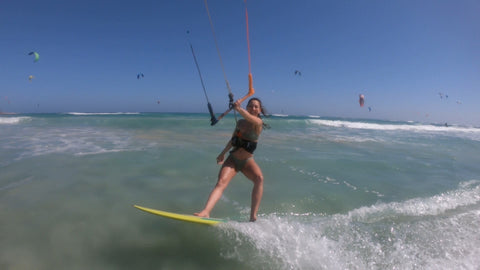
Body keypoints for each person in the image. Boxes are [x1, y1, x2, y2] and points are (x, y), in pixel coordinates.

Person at [195, 97, 267, 222]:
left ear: (259, 110)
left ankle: (253, 216)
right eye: (250, 105)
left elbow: (251, 118)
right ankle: (206, 212)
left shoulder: (258, 123)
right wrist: (222, 153)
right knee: (221, 182)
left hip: (247, 161)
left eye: (256, 106)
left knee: (259, 179)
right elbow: (233, 139)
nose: (253, 108)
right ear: (247, 107)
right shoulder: (240, 123)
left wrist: (238, 108)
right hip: (233, 159)